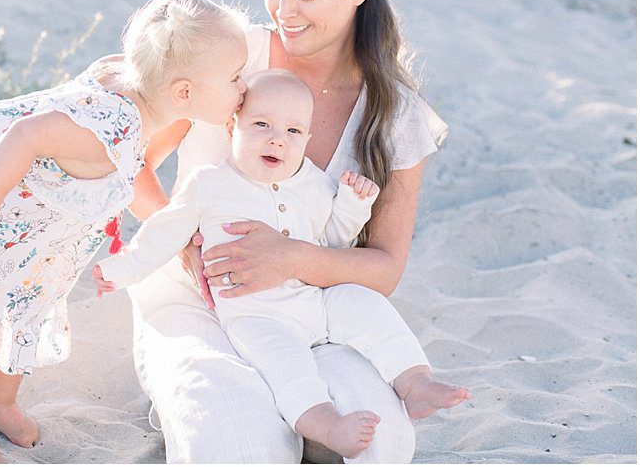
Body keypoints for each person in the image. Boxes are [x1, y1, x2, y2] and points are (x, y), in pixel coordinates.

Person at [125, 0, 454, 463]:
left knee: (380, 445)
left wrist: (287, 258)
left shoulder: (394, 112)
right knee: (237, 444)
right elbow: (130, 163)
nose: (284, 11)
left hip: (313, 308)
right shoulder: (231, 56)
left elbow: (384, 266)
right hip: (198, 301)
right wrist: (180, 242)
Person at [0, 0, 249, 463]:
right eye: (236, 77)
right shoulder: (107, 130)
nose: (245, 85)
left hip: (36, 228)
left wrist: (175, 234)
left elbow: (133, 172)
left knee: (23, 308)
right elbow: (26, 136)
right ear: (182, 93)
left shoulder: (137, 89)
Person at [93, 70, 468, 459]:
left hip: (315, 298)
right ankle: (326, 424)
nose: (277, 138)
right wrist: (120, 270)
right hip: (258, 314)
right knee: (287, 366)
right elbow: (162, 234)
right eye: (261, 125)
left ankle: (414, 380)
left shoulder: (312, 183)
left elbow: (334, 240)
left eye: (292, 132)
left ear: (306, 140)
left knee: (365, 305)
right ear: (231, 126)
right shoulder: (210, 184)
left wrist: (353, 206)